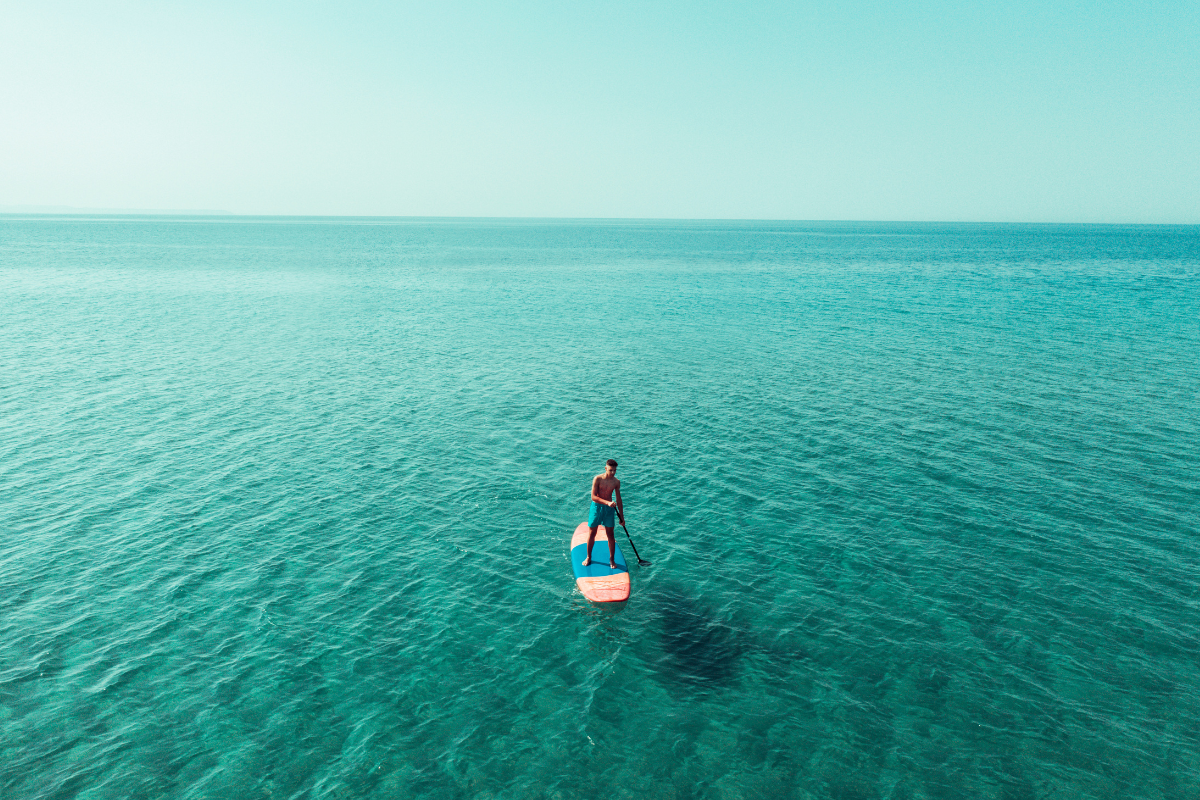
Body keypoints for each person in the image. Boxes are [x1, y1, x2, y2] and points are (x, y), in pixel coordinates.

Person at [583, 459, 623, 570]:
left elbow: (619, 500)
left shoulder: (616, 482)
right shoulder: (598, 479)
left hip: (609, 510)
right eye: (611, 470)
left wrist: (622, 517)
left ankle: (611, 559)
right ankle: (589, 557)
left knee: (610, 534)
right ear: (605, 468)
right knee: (592, 533)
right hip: (596, 508)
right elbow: (593, 497)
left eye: (615, 470)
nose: (613, 473)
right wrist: (607, 502)